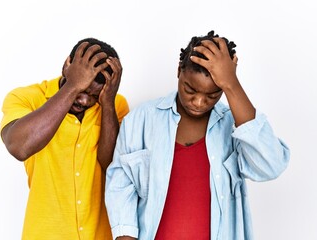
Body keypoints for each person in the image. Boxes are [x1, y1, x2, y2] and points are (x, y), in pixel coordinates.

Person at [105, 30, 290, 240]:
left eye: (213, 94)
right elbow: (120, 185)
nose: (199, 102)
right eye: (190, 90)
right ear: (178, 71)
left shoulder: (234, 124)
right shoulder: (141, 120)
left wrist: (232, 84)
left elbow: (271, 165)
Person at [0, 38, 129, 239]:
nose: (85, 100)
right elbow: (19, 147)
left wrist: (108, 103)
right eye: (82, 91)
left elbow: (111, 165)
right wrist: (72, 87)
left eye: (93, 95)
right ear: (66, 66)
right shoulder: (26, 98)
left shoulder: (113, 104)